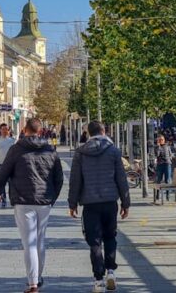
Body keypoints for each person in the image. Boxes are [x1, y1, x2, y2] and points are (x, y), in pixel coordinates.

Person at [0, 118, 64, 293]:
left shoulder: (16, 149)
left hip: (23, 200)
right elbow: (59, 178)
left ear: (25, 130)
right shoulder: (50, 150)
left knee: (29, 242)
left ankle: (32, 283)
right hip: (44, 201)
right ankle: (38, 277)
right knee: (40, 240)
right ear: (40, 131)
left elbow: (4, 171)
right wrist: (51, 198)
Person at [68, 121, 130, 292]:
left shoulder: (80, 153)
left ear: (88, 133)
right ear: (103, 131)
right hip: (110, 202)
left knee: (94, 242)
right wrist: (126, 203)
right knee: (110, 237)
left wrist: (72, 204)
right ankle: (111, 271)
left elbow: (75, 181)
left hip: (90, 204)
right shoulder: (114, 151)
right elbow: (121, 180)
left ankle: (98, 280)